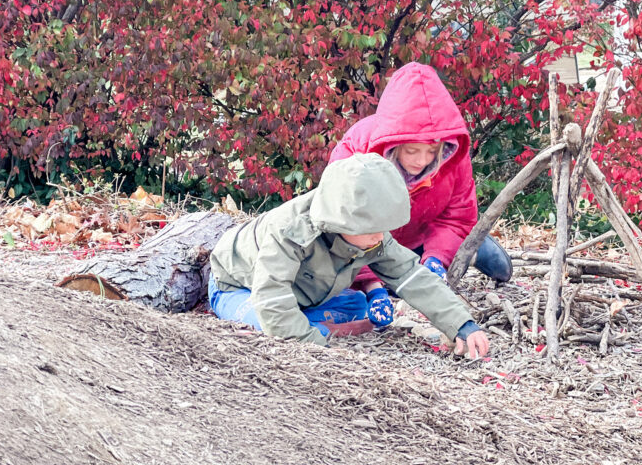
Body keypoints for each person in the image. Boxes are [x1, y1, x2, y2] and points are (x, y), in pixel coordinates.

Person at [208, 153, 490, 358]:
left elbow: (411, 276)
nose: (380, 238)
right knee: (266, 322)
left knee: (359, 307)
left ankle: (311, 321)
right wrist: (317, 348)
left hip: (302, 293)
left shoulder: (369, 231)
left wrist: (461, 324)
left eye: (384, 229)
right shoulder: (289, 231)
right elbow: (270, 296)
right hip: (240, 287)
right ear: (341, 220)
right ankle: (310, 324)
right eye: (372, 230)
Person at [328, 62, 512, 328]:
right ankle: (388, 278)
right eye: (412, 151)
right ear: (394, 143)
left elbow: (457, 217)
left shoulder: (454, 155)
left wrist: (436, 261)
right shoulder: (357, 149)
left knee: (469, 250)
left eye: (431, 151)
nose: (422, 161)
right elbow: (342, 224)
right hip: (369, 243)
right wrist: (372, 286)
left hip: (423, 236)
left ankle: (471, 248)